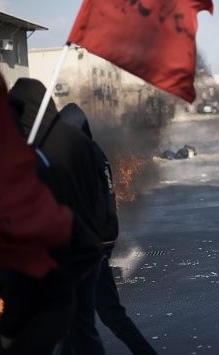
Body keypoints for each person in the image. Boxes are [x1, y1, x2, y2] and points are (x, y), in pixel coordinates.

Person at [8, 79, 105, 355]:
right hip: (87, 248)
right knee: (80, 329)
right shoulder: (81, 142)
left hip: (61, 255)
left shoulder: (35, 150)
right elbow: (97, 195)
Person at [60, 103, 157, 355]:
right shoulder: (93, 152)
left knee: (96, 316)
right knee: (82, 318)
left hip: (87, 247)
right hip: (95, 243)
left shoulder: (82, 155)